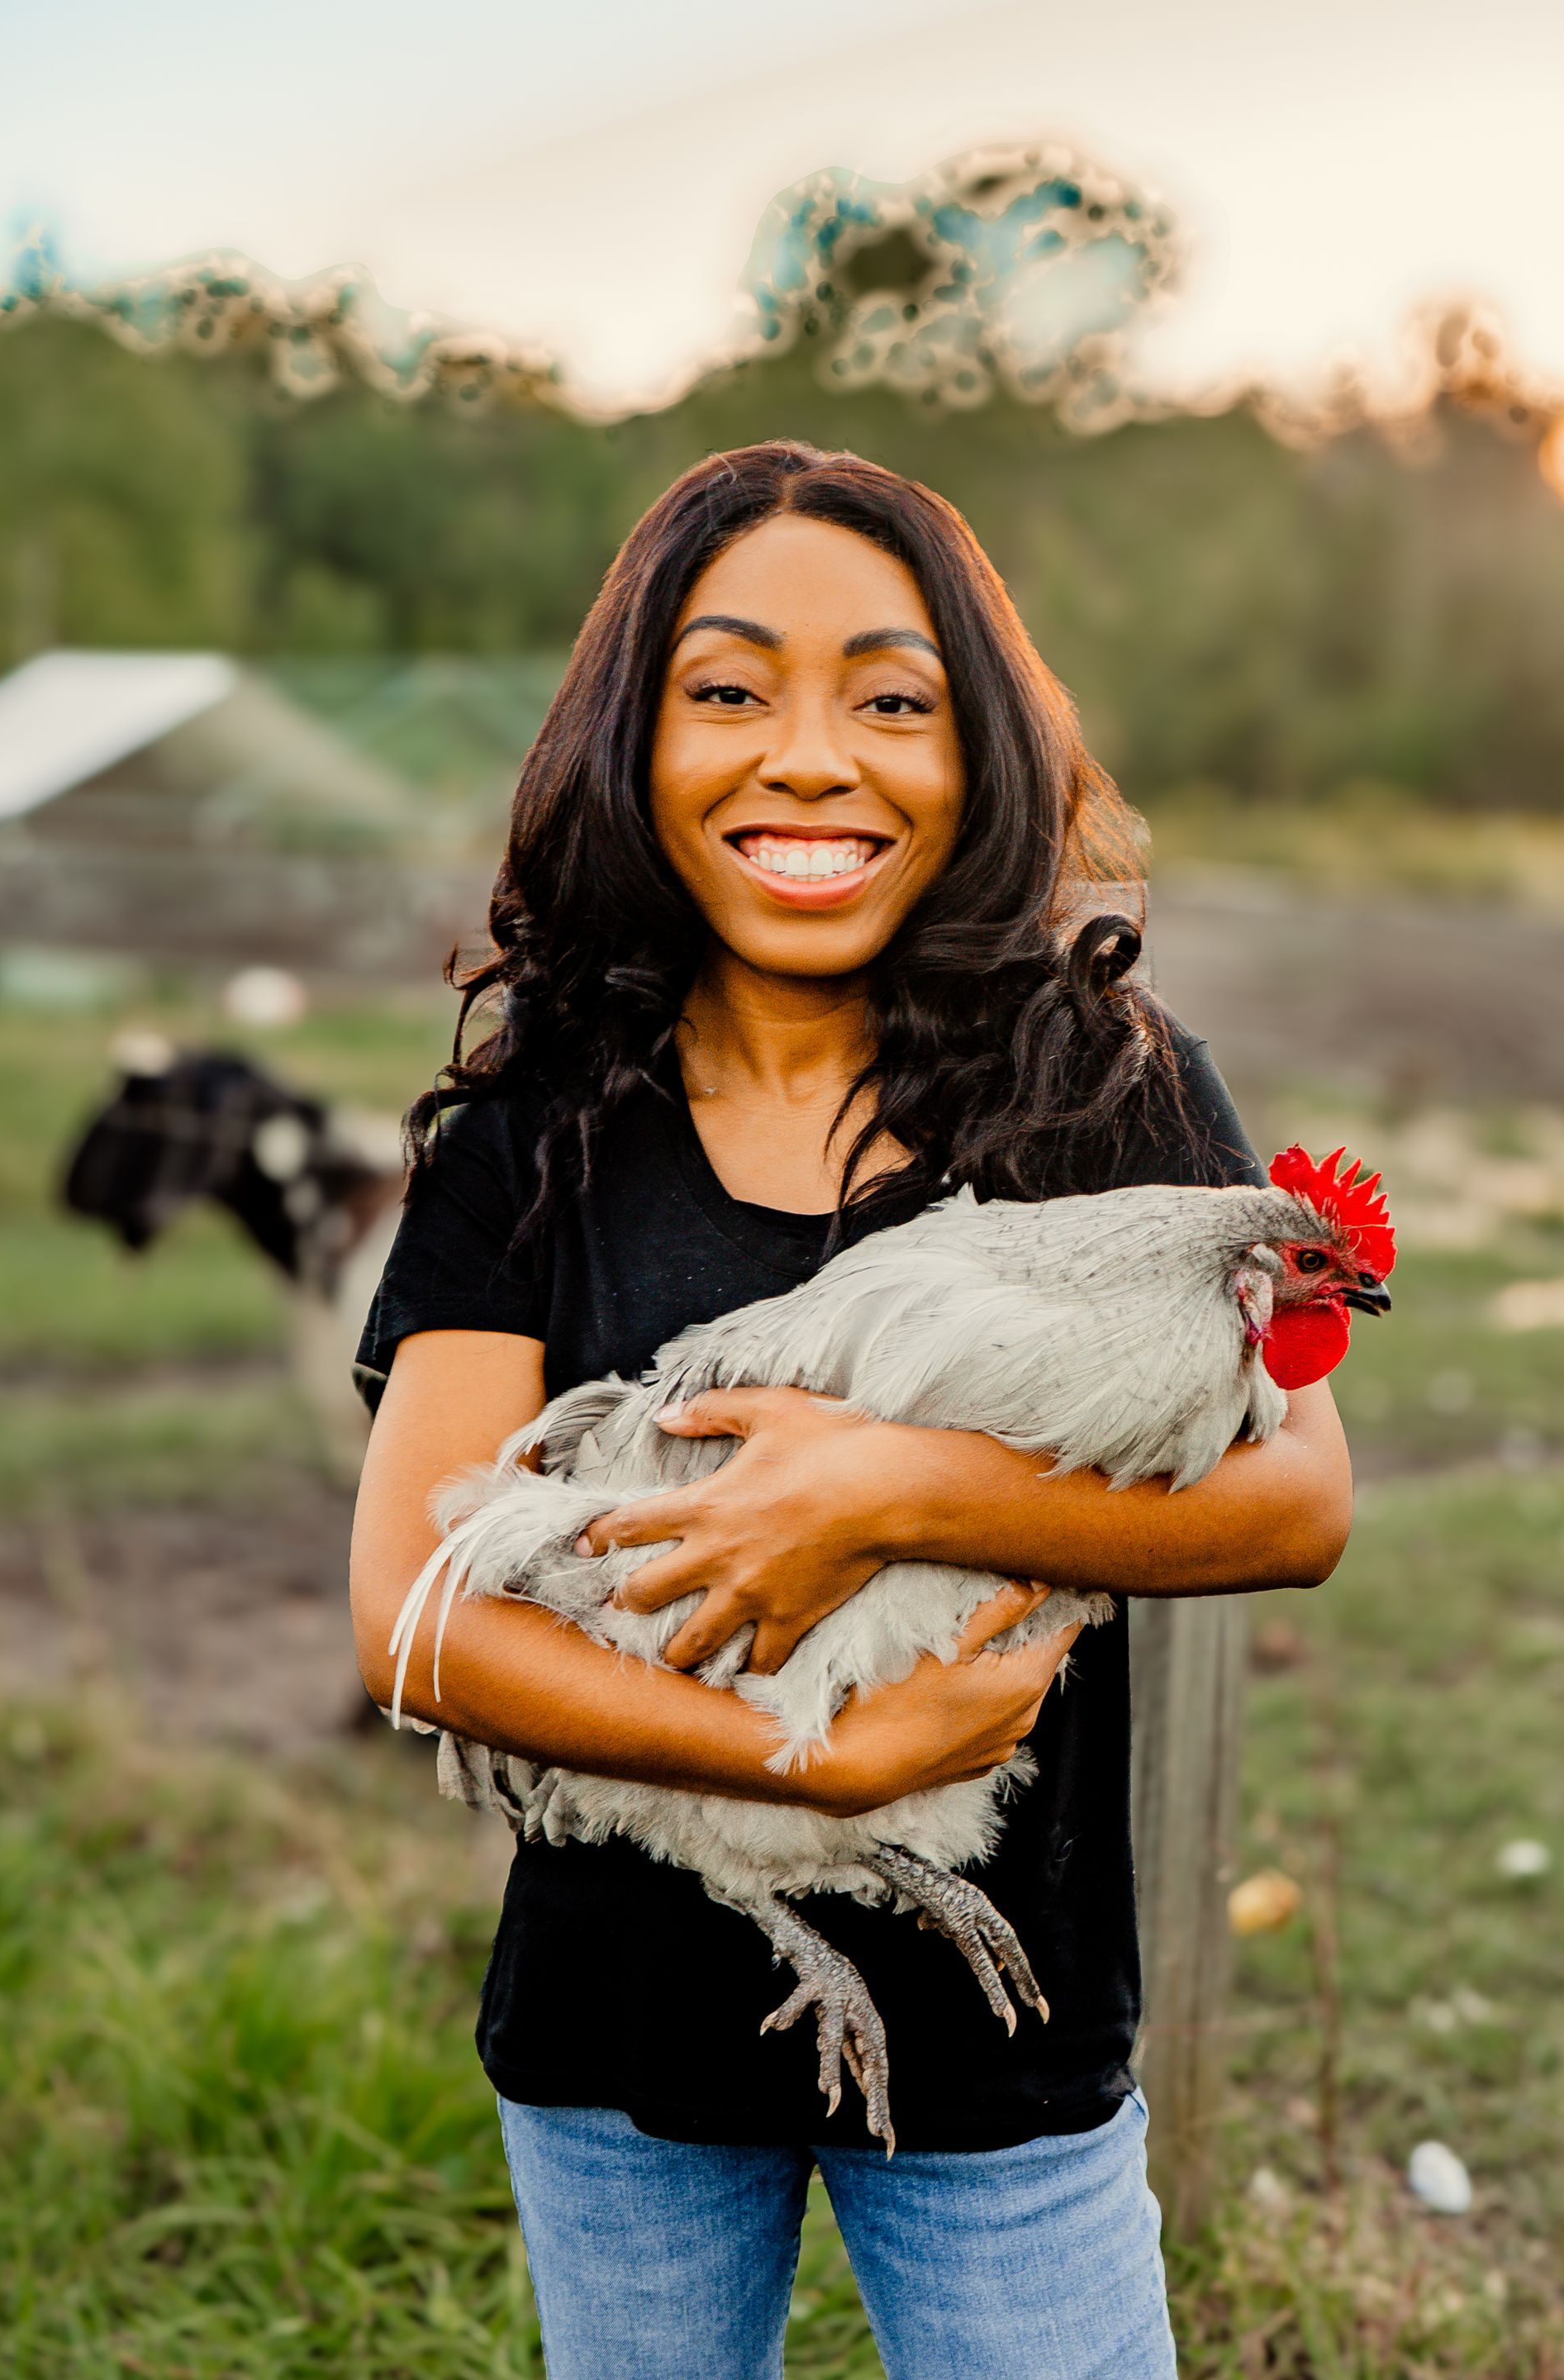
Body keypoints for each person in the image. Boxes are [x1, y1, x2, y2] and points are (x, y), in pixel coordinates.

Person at [349, 441, 1352, 2380]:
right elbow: (410, 1602)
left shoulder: (1103, 1085)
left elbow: (1297, 1503)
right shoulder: (534, 1135)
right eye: (728, 691)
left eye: (892, 700)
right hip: (618, 2027)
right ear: (627, 749)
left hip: (1016, 2038)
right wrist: (816, 1765)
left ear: (979, 749)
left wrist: (888, 1483)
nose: (812, 758)